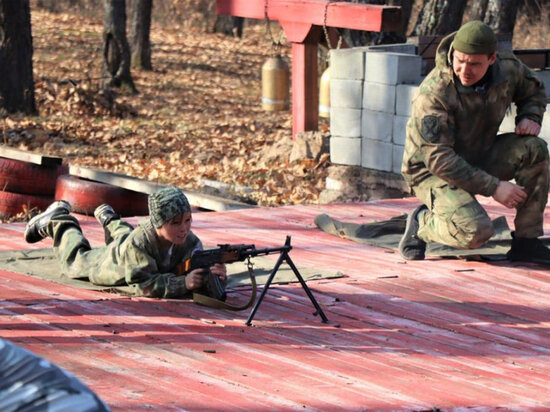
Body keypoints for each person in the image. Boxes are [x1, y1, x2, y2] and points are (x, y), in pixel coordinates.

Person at [399, 20, 549, 263]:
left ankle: (527, 241)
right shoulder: (435, 93)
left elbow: (534, 90)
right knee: (476, 232)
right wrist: (495, 187)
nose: (464, 70)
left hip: (478, 154)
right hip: (431, 172)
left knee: (535, 149)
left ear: (492, 59)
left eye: (474, 63)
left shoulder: (507, 70)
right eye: (460, 60)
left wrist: (530, 115)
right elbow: (440, 160)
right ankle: (422, 222)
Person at [23, 186, 227, 298]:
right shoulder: (139, 243)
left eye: (188, 220)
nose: (184, 228)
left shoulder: (190, 242)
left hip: (130, 245)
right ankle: (59, 220)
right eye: (175, 223)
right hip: (115, 262)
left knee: (125, 238)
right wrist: (184, 283)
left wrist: (214, 277)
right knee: (76, 261)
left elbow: (198, 274)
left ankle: (111, 220)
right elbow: (142, 283)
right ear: (157, 224)